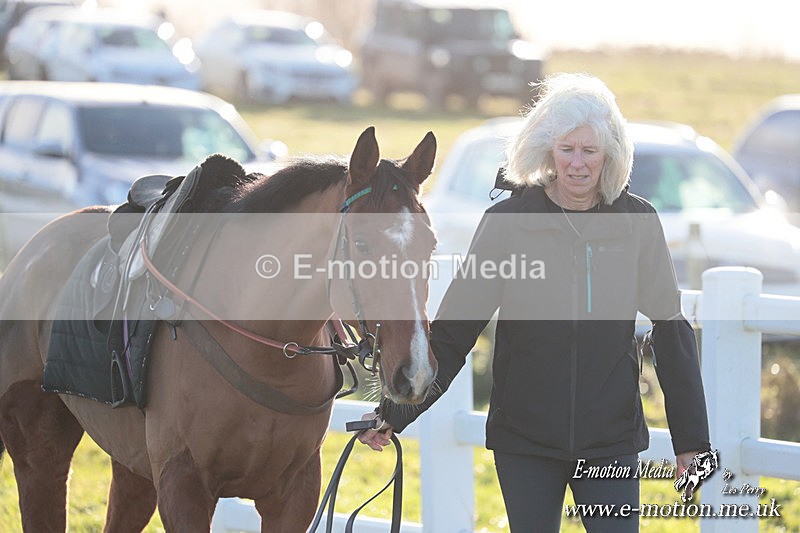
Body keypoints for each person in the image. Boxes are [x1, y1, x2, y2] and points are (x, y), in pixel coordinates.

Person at [358, 72, 711, 532]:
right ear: (547, 151)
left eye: (590, 151)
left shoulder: (636, 222)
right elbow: (456, 330)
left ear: (611, 155)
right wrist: (395, 413)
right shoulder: (508, 222)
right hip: (524, 440)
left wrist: (691, 440)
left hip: (611, 441)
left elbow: (670, 328)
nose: (578, 164)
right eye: (567, 149)